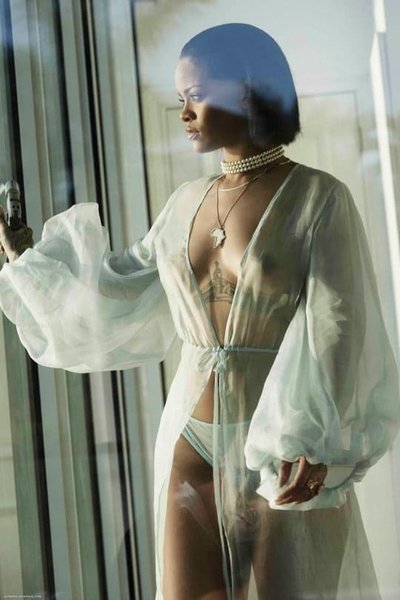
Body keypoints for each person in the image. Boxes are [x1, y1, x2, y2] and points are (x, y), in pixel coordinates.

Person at [0, 22, 399, 600]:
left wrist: (319, 444)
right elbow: (119, 286)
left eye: (197, 94)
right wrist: (28, 261)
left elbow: (342, 327)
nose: (183, 112)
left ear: (247, 90)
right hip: (191, 439)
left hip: (282, 447)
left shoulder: (318, 198)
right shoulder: (185, 202)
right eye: (180, 97)